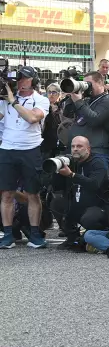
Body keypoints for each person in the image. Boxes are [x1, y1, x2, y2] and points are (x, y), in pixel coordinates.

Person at [0, 67, 49, 249]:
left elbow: (31, 118)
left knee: (32, 194)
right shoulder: (5, 100)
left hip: (31, 149)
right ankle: (7, 234)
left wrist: (13, 102)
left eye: (23, 78)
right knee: (6, 194)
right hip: (7, 149)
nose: (19, 81)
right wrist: (7, 99)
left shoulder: (41, 100)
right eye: (17, 78)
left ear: (33, 81)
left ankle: (35, 234)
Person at [51, 136, 109, 251]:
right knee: (56, 203)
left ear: (88, 149)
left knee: (89, 218)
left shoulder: (97, 162)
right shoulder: (70, 162)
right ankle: (72, 237)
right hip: (76, 203)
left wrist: (72, 175)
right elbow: (56, 187)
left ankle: (95, 236)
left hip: (97, 206)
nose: (75, 149)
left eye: (79, 146)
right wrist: (56, 170)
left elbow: (94, 184)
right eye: (73, 146)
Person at [64, 70, 109, 169]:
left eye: (89, 84)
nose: (87, 87)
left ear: (100, 83)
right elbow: (67, 113)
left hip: (96, 153)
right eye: (85, 84)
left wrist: (79, 101)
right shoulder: (87, 100)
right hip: (80, 153)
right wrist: (73, 94)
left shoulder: (108, 101)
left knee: (94, 183)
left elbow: (94, 120)